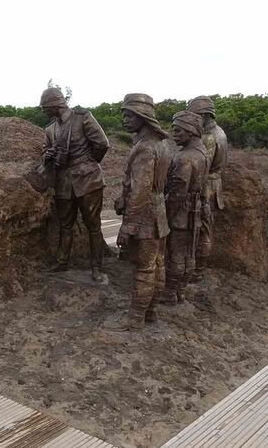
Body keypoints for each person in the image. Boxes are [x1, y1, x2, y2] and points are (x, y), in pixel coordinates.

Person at [110, 93, 172, 329]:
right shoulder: (162, 144)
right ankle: (151, 313)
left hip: (145, 216)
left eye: (129, 115)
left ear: (142, 117)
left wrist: (129, 225)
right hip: (159, 214)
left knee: (145, 269)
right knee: (157, 264)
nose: (125, 119)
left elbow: (141, 191)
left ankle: (135, 319)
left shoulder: (145, 148)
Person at [39, 87, 111, 282]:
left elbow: (102, 144)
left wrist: (89, 163)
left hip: (89, 180)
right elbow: (45, 151)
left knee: (93, 226)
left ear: (55, 104)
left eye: (45, 107)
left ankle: (96, 268)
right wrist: (48, 155)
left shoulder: (83, 117)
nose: (44, 111)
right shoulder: (50, 129)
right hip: (63, 182)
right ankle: (62, 262)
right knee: (65, 225)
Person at [164, 110, 207, 304]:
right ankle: (180, 290)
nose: (174, 134)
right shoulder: (202, 153)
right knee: (189, 252)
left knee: (176, 253)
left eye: (177, 130)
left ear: (190, 131)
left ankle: (171, 292)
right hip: (195, 211)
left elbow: (177, 193)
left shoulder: (185, 158)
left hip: (181, 213)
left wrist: (166, 214)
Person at [187, 96, 228, 281]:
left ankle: (198, 270)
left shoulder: (210, 137)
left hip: (206, 188)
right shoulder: (219, 132)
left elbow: (202, 167)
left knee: (202, 229)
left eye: (194, 116)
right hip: (212, 185)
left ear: (204, 115)